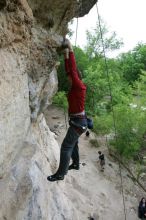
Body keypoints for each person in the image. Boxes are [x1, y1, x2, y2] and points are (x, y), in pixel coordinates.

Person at [47, 38, 87, 182]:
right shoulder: (76, 86)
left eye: (71, 78)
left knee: (66, 147)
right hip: (79, 122)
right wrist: (65, 55)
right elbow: (69, 70)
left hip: (78, 123)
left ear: (76, 79)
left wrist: (70, 50)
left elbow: (73, 70)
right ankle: (75, 164)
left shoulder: (79, 86)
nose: (68, 79)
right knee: (73, 143)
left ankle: (60, 174)